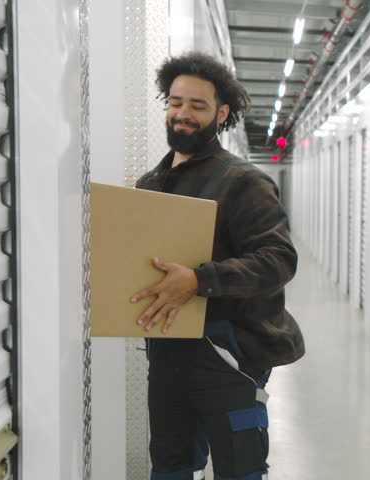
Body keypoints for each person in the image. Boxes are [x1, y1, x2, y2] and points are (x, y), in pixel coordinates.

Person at [132, 51, 305, 480]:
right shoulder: (150, 185)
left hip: (229, 354)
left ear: (221, 113)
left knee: (239, 469)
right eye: (175, 102)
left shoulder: (243, 183)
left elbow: (279, 259)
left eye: (197, 105)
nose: (183, 113)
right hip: (169, 352)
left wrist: (199, 280)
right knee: (170, 465)